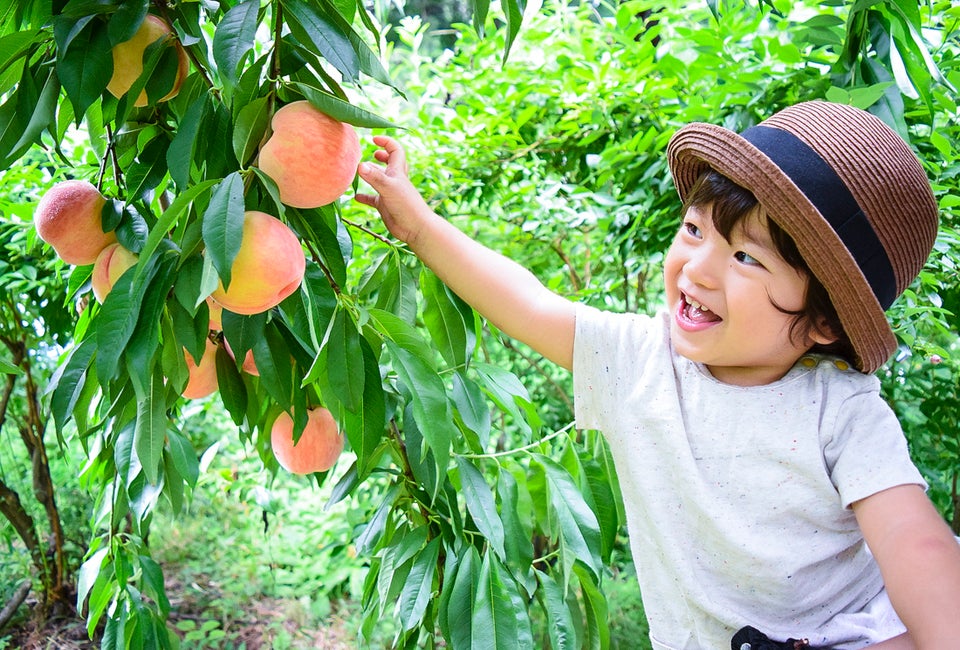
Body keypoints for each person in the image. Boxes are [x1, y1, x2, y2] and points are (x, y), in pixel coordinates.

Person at [354, 101, 960, 649]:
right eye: (694, 230)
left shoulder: (840, 412)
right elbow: (529, 303)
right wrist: (419, 226)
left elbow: (916, 545)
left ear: (823, 321)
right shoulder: (640, 362)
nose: (697, 269)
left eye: (746, 257)